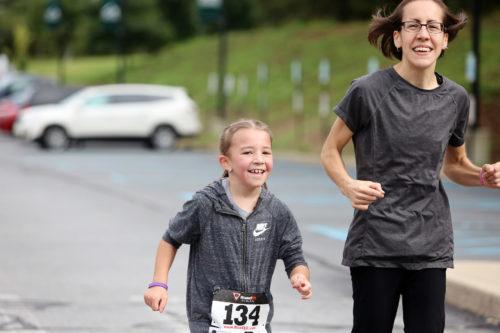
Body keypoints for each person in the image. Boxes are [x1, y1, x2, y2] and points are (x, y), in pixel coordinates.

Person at [320, 1, 500, 332]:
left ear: (445, 39)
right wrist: (348, 185)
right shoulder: (367, 90)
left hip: (430, 245)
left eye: (433, 27)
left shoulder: (457, 99)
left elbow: (455, 164)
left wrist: (481, 176)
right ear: (398, 37)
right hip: (375, 244)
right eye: (413, 25)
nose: (423, 34)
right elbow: (330, 149)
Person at [144, 119, 312, 333]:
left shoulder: (277, 211)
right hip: (209, 322)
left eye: (266, 152)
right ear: (226, 162)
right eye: (248, 152)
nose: (259, 159)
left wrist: (300, 276)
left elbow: (294, 255)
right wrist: (159, 284)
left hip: (257, 325)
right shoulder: (206, 203)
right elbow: (171, 238)